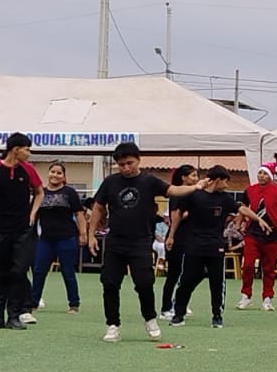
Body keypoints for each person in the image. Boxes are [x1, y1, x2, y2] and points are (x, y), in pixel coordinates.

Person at [88, 141, 205, 342]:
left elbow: (173, 191)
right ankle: (113, 325)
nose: (126, 168)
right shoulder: (110, 182)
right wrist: (90, 234)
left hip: (140, 241)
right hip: (115, 241)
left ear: (138, 160)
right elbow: (98, 207)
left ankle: (150, 318)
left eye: (130, 163)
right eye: (121, 164)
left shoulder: (149, 181)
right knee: (110, 283)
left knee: (144, 283)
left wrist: (195, 187)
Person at [171, 167, 262, 328]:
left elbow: (242, 209)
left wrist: (259, 220)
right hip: (194, 246)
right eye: (225, 181)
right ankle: (178, 314)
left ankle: (217, 316)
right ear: (218, 180)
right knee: (186, 281)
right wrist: (171, 234)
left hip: (215, 247)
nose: (227, 185)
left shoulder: (225, 198)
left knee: (217, 283)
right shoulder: (194, 195)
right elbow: (178, 214)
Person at [0, 133, 43, 330]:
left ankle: (14, 315)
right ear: (16, 149)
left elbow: (40, 192)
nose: (29, 153)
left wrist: (33, 213)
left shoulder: (28, 169)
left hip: (22, 229)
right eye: (27, 149)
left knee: (18, 271)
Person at [238, 165, 277, 311]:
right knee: (248, 265)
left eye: (265, 174)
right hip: (253, 231)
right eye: (260, 173)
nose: (261, 176)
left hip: (272, 233)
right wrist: (239, 223)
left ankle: (267, 298)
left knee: (269, 268)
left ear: (270, 177)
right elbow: (241, 208)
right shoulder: (249, 190)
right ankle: (246, 295)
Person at [31, 162, 87, 313]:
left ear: (63, 176)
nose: (55, 175)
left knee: (67, 271)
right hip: (45, 239)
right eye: (53, 172)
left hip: (67, 238)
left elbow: (79, 214)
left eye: (59, 173)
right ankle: (33, 302)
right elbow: (33, 215)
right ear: (48, 173)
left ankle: (74, 304)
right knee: (38, 270)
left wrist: (83, 233)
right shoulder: (40, 193)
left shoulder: (70, 193)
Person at [159, 165, 201, 320]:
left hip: (190, 238)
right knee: (173, 274)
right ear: (184, 177)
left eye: (196, 176)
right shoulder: (177, 193)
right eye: (193, 175)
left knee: (189, 273)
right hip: (177, 237)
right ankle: (165, 308)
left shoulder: (195, 194)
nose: (196, 179)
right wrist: (191, 212)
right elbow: (175, 216)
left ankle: (180, 302)